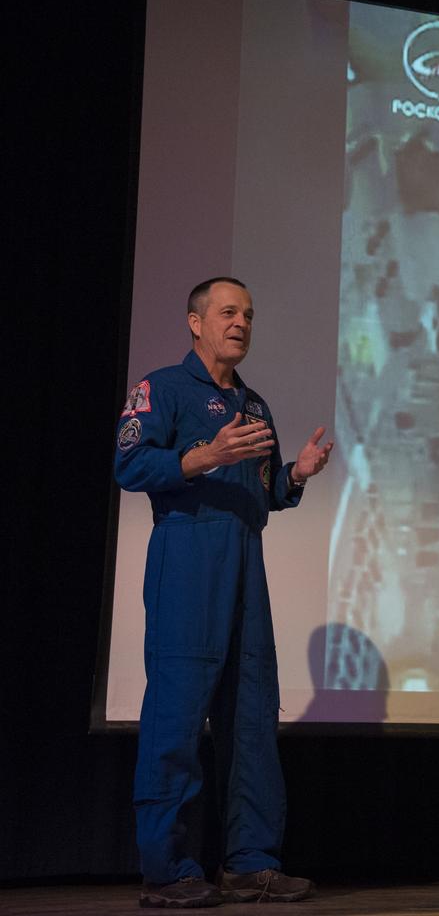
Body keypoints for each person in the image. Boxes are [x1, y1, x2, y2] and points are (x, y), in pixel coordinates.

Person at [115, 277, 333, 908]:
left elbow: (261, 494)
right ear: (195, 321)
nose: (241, 323)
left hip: (245, 560)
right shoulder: (163, 387)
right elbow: (130, 466)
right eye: (229, 312)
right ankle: (169, 870)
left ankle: (249, 864)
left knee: (252, 716)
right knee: (177, 717)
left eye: (249, 315)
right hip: (187, 556)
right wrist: (198, 458)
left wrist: (294, 475)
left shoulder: (255, 405)